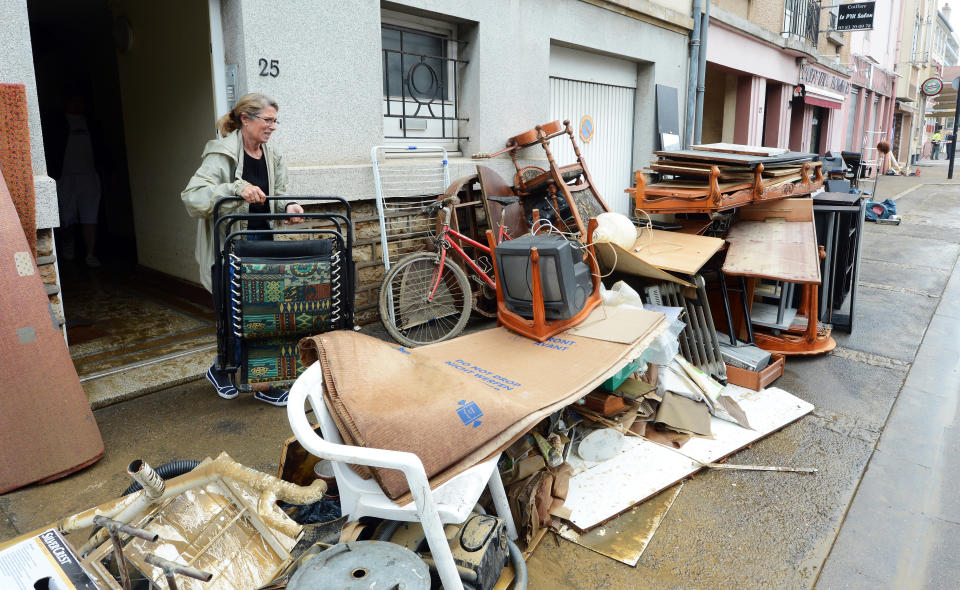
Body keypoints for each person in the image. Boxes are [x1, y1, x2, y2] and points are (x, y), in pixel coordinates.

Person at [182, 93, 304, 407]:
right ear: (246, 119)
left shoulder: (272, 154)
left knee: (265, 314)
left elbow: (278, 193)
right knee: (238, 314)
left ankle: (231, 372)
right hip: (232, 248)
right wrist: (235, 188)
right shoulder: (222, 153)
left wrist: (288, 206)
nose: (273, 127)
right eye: (268, 120)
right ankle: (246, 376)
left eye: (275, 121)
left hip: (264, 246)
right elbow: (193, 197)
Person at [51, 94, 104, 267]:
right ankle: (68, 248)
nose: (77, 104)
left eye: (80, 101)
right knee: (67, 218)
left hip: (89, 176)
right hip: (65, 177)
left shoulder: (91, 123)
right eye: (73, 100)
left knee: (90, 217)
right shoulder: (58, 123)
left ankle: (90, 254)